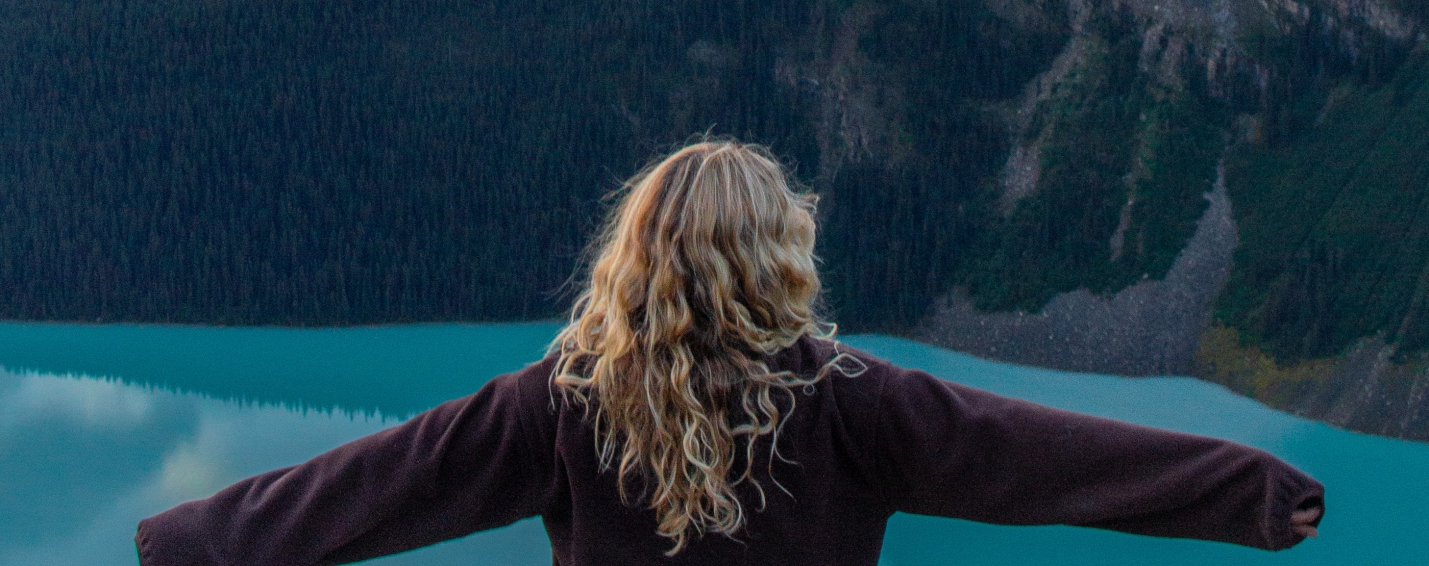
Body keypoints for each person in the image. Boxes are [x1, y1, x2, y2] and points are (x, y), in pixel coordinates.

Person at [135, 140, 1324, 565]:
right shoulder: (855, 402)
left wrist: (184, 540)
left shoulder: (566, 402)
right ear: (780, 259)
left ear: (633, 255)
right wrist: (1258, 490)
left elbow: (382, 482)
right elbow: (1055, 456)